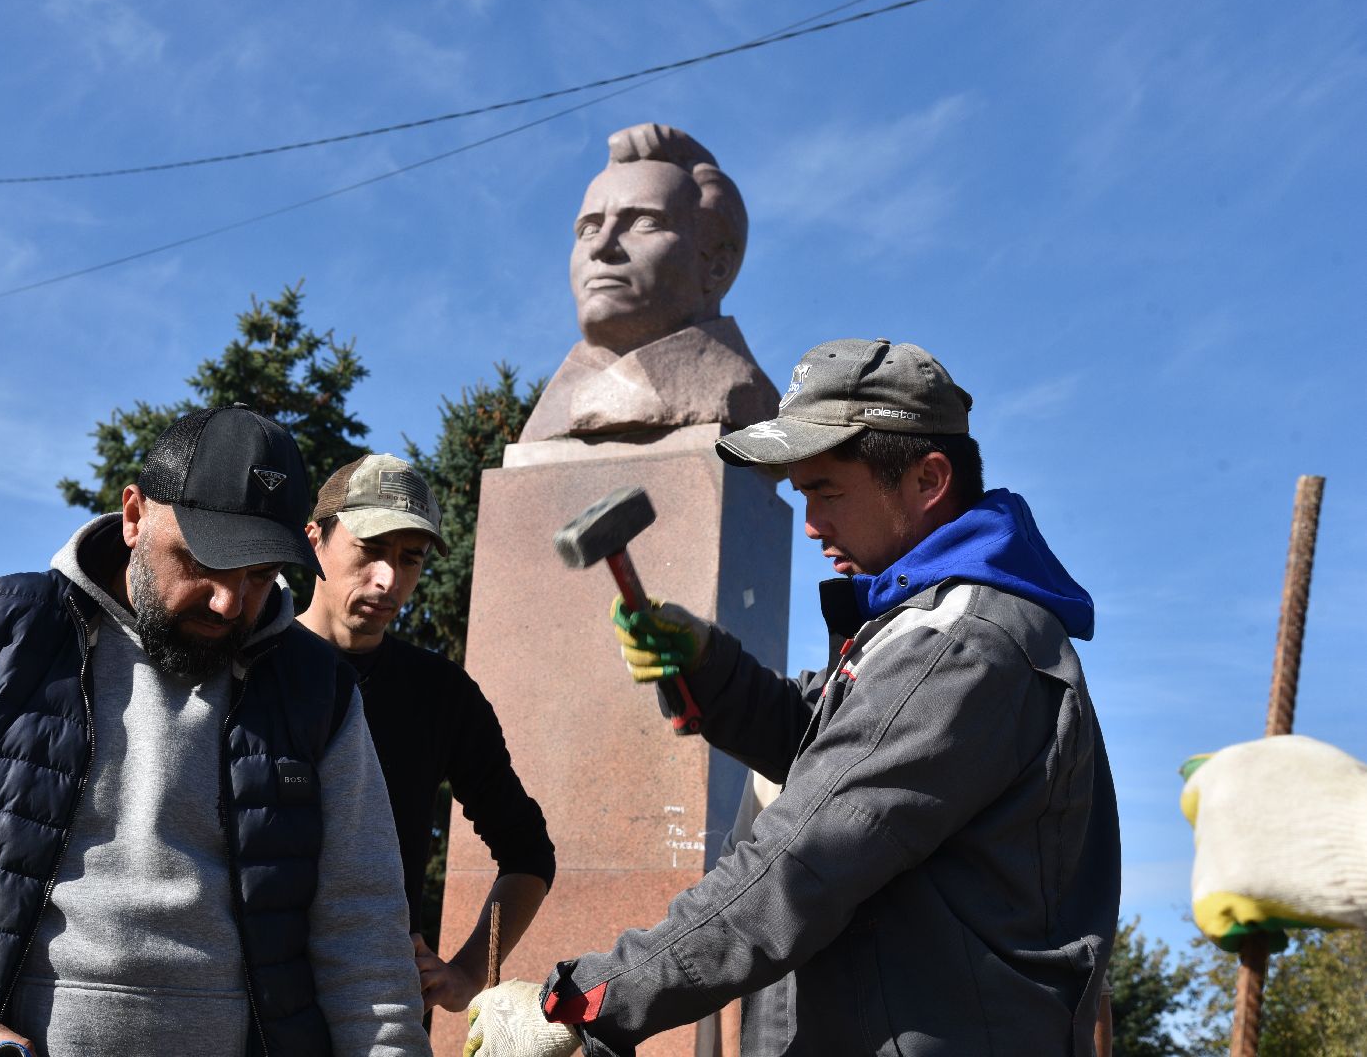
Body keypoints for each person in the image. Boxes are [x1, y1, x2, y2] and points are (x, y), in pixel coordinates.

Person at [466, 338, 1120, 1056]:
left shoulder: (963, 645)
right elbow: (825, 745)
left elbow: (803, 856)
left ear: (928, 479)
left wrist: (581, 1004)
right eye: (802, 493)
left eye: (826, 491)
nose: (810, 523)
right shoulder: (916, 631)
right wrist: (709, 665)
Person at [0, 405, 430, 1057]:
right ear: (134, 516)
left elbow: (364, 930)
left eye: (258, 575)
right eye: (203, 561)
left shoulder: (319, 691)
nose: (228, 602)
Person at [296, 453, 556, 1015]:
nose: (388, 579)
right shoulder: (248, 666)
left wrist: (470, 973)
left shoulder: (441, 693)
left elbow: (528, 851)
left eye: (409, 558)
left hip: (379, 1013)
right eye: (370, 550)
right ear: (315, 539)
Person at [518, 123, 778, 442]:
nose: (601, 247)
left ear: (716, 266)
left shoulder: (742, 393)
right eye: (589, 229)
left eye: (645, 222)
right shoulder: (555, 406)